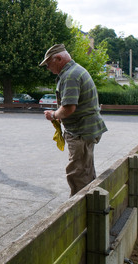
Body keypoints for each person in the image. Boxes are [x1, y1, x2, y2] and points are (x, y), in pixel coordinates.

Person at [40, 44, 107, 197]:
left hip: (80, 132)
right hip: (87, 130)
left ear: (58, 58)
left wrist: (53, 115)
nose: (48, 68)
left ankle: (78, 214)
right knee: (86, 170)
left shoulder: (70, 75)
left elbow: (69, 108)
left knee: (77, 174)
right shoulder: (76, 70)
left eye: (48, 63)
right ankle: (92, 207)